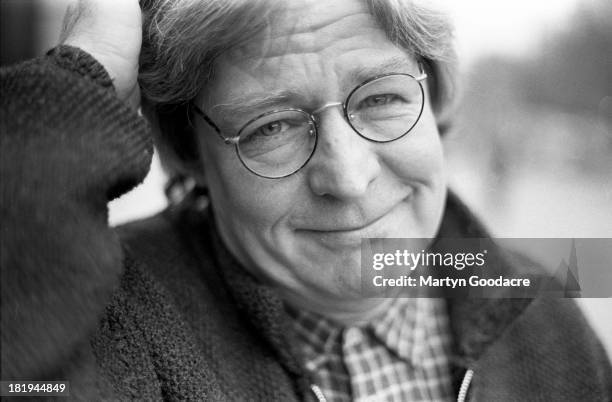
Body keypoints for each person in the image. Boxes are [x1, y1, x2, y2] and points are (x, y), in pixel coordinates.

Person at [1, 0, 610, 400]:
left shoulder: (544, 302)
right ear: (192, 155)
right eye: (271, 127)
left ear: (438, 92)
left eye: (381, 99)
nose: (347, 177)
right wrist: (81, 84)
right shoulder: (119, 323)